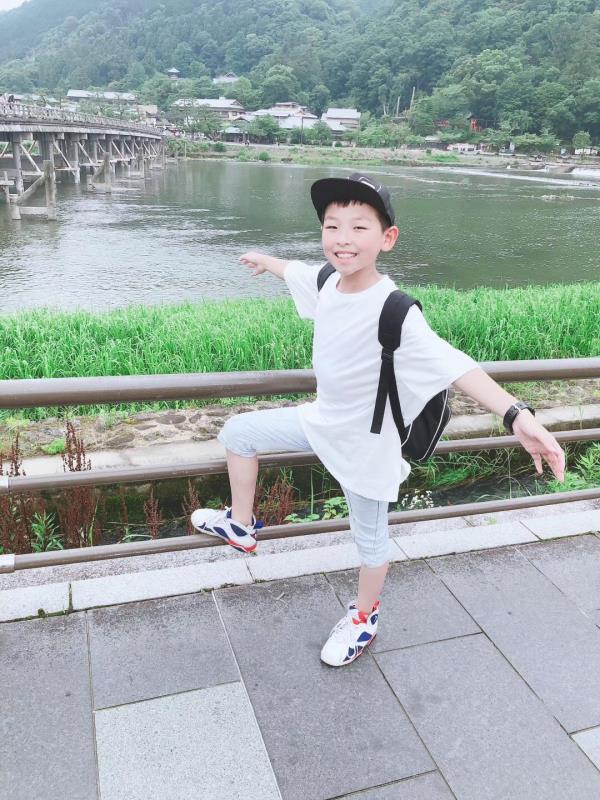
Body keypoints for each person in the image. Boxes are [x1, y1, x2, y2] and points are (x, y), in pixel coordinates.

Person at [191, 173, 565, 667]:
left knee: (370, 544)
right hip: (320, 422)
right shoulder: (327, 281)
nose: (342, 238)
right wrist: (267, 261)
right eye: (332, 226)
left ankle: (364, 618)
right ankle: (240, 526)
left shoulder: (396, 310)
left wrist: (517, 415)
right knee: (239, 433)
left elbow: (454, 363)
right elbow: (297, 271)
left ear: (387, 238)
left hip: (367, 446)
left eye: (358, 227)